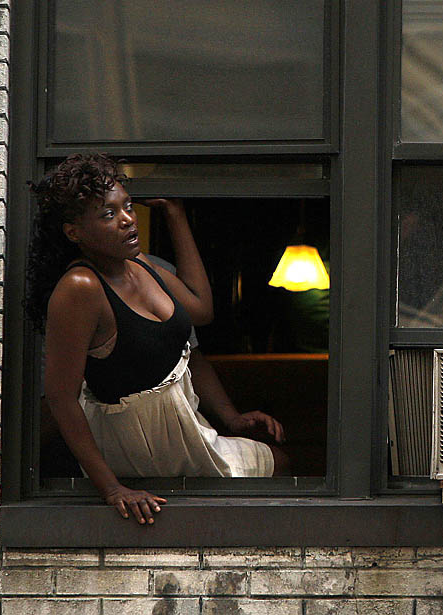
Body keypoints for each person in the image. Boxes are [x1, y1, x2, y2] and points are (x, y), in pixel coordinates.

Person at [25, 153, 287, 525]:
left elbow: (200, 311)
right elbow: (61, 398)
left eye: (128, 206)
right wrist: (111, 489)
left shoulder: (140, 264)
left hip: (183, 427)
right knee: (278, 466)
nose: (127, 219)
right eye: (109, 214)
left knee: (279, 461)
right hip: (140, 442)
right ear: (74, 232)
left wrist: (175, 215)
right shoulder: (80, 287)